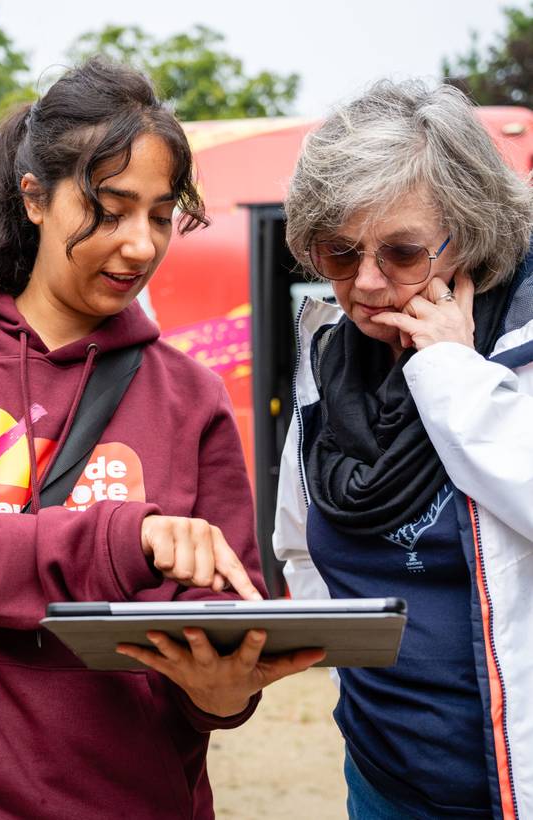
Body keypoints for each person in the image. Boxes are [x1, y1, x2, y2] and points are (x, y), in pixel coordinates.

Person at [0, 58, 323, 820]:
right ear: (34, 197)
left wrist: (222, 695)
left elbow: (224, 611)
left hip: (134, 799)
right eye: (111, 208)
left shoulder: (189, 396)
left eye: (160, 215)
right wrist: (126, 540)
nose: (139, 246)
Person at [274, 78, 533, 819]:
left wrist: (452, 372)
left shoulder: (518, 349)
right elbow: (299, 548)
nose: (366, 284)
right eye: (339, 251)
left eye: (403, 253)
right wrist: (359, 688)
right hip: (383, 777)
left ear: (472, 231)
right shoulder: (330, 362)